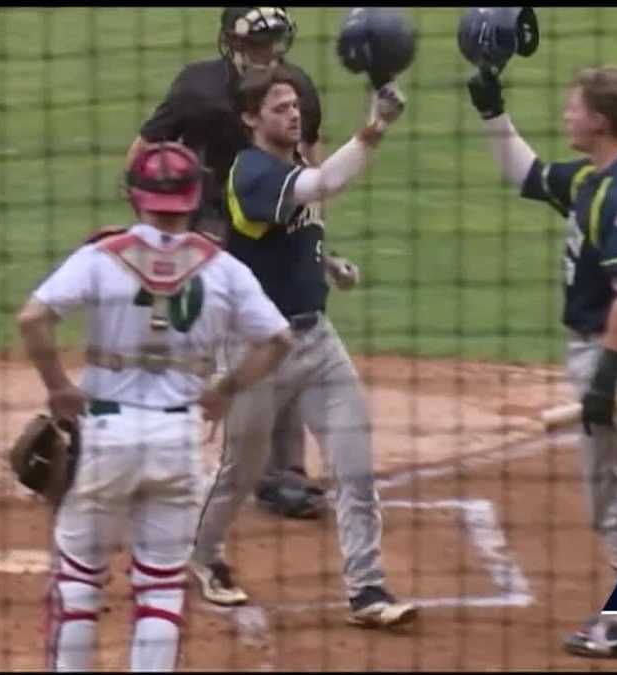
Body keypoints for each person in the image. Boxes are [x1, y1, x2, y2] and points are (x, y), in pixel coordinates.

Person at [17, 141, 295, 671]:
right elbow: (279, 340)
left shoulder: (100, 257)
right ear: (194, 199)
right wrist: (224, 390)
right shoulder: (225, 269)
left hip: (106, 437)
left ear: (134, 196)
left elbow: (33, 319)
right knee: (161, 591)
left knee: (78, 584)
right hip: (177, 441)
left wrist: (58, 387)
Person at [189, 65, 418, 629]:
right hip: (256, 349)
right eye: (280, 108)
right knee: (241, 472)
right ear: (250, 119)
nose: (294, 114)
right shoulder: (252, 173)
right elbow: (321, 188)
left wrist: (326, 263)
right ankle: (199, 555)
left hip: (316, 341)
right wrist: (375, 127)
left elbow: (292, 229)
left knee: (355, 468)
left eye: (295, 105)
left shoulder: (290, 166)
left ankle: (366, 589)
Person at [467, 63, 617, 658]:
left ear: (601, 121)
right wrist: (492, 113)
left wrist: (605, 379)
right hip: (616, 347)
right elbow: (528, 173)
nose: (566, 114)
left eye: (575, 106)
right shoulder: (593, 178)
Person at [126, 6, 360, 521]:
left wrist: (314, 246)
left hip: (271, 229)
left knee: (282, 337)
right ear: (231, 43)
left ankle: (283, 475)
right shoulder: (197, 87)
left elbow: (311, 172)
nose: (267, 53)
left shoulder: (295, 89)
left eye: (274, 41)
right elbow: (142, 156)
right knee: (177, 338)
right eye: (257, 43)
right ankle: (135, 451)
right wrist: (156, 233)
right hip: (206, 228)